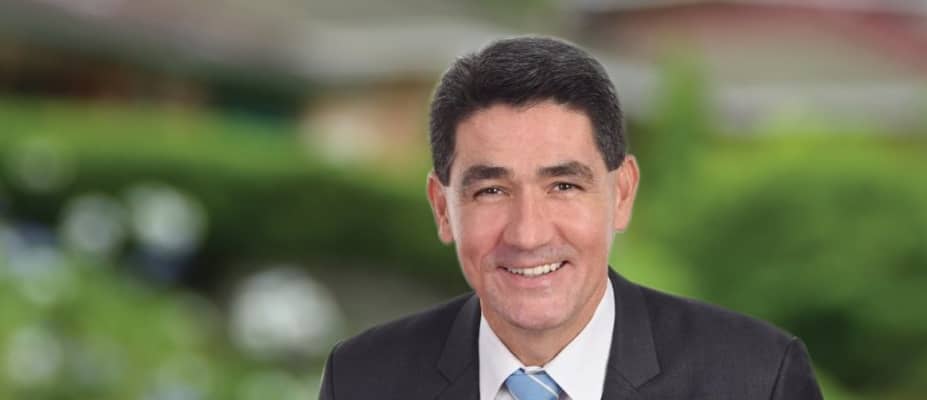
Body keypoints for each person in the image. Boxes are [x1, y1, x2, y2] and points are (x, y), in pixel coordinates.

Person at [319, 36, 822, 400]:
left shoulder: (756, 380)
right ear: (441, 208)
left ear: (621, 194)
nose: (528, 233)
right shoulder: (362, 380)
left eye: (563, 186)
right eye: (491, 190)